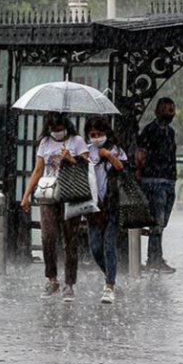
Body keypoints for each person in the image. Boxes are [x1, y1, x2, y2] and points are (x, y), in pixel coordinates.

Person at [21, 112, 89, 302]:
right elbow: (38, 169)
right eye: (53, 130)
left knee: (70, 240)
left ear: (65, 126)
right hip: (49, 194)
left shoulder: (77, 141)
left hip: (71, 194)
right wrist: (27, 195)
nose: (56, 133)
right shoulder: (45, 143)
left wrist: (70, 159)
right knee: (48, 236)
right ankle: (52, 278)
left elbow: (87, 167)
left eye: (59, 129)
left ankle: (69, 282)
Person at [84, 116, 126, 303]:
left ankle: (109, 285)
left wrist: (108, 155)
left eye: (99, 134)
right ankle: (110, 275)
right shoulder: (86, 151)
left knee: (109, 245)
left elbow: (123, 169)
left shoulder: (115, 149)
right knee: (95, 247)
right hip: (93, 207)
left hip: (112, 205)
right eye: (92, 134)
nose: (96, 137)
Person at [135, 97, 177, 273]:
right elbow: (141, 155)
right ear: (157, 111)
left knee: (162, 221)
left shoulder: (171, 132)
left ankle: (155, 256)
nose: (170, 113)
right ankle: (154, 258)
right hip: (153, 181)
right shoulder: (150, 131)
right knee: (157, 222)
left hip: (168, 180)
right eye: (167, 109)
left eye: (172, 109)